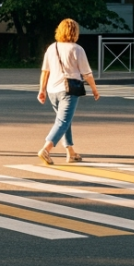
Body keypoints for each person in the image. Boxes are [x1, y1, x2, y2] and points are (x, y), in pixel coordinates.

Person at [36, 18, 101, 164]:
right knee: (63, 121)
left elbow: (45, 71)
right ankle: (46, 149)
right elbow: (87, 74)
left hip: (52, 90)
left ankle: (71, 152)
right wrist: (95, 89)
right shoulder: (77, 49)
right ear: (75, 32)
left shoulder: (52, 48)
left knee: (65, 121)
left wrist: (42, 90)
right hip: (69, 90)